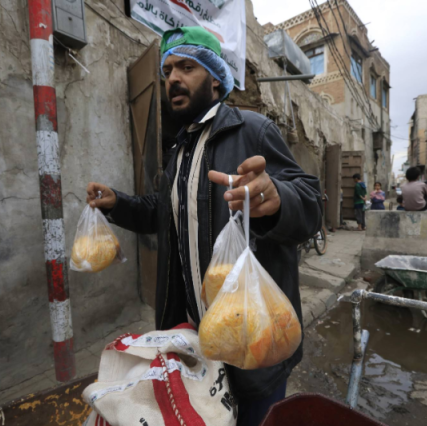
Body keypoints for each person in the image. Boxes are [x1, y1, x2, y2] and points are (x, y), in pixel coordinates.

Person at [85, 27, 322, 426]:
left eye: (186, 67)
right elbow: (163, 214)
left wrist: (278, 199)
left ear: (215, 77)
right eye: (166, 71)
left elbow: (311, 202)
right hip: (197, 339)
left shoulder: (252, 130)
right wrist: (118, 204)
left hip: (253, 337)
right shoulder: (179, 152)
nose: (172, 79)